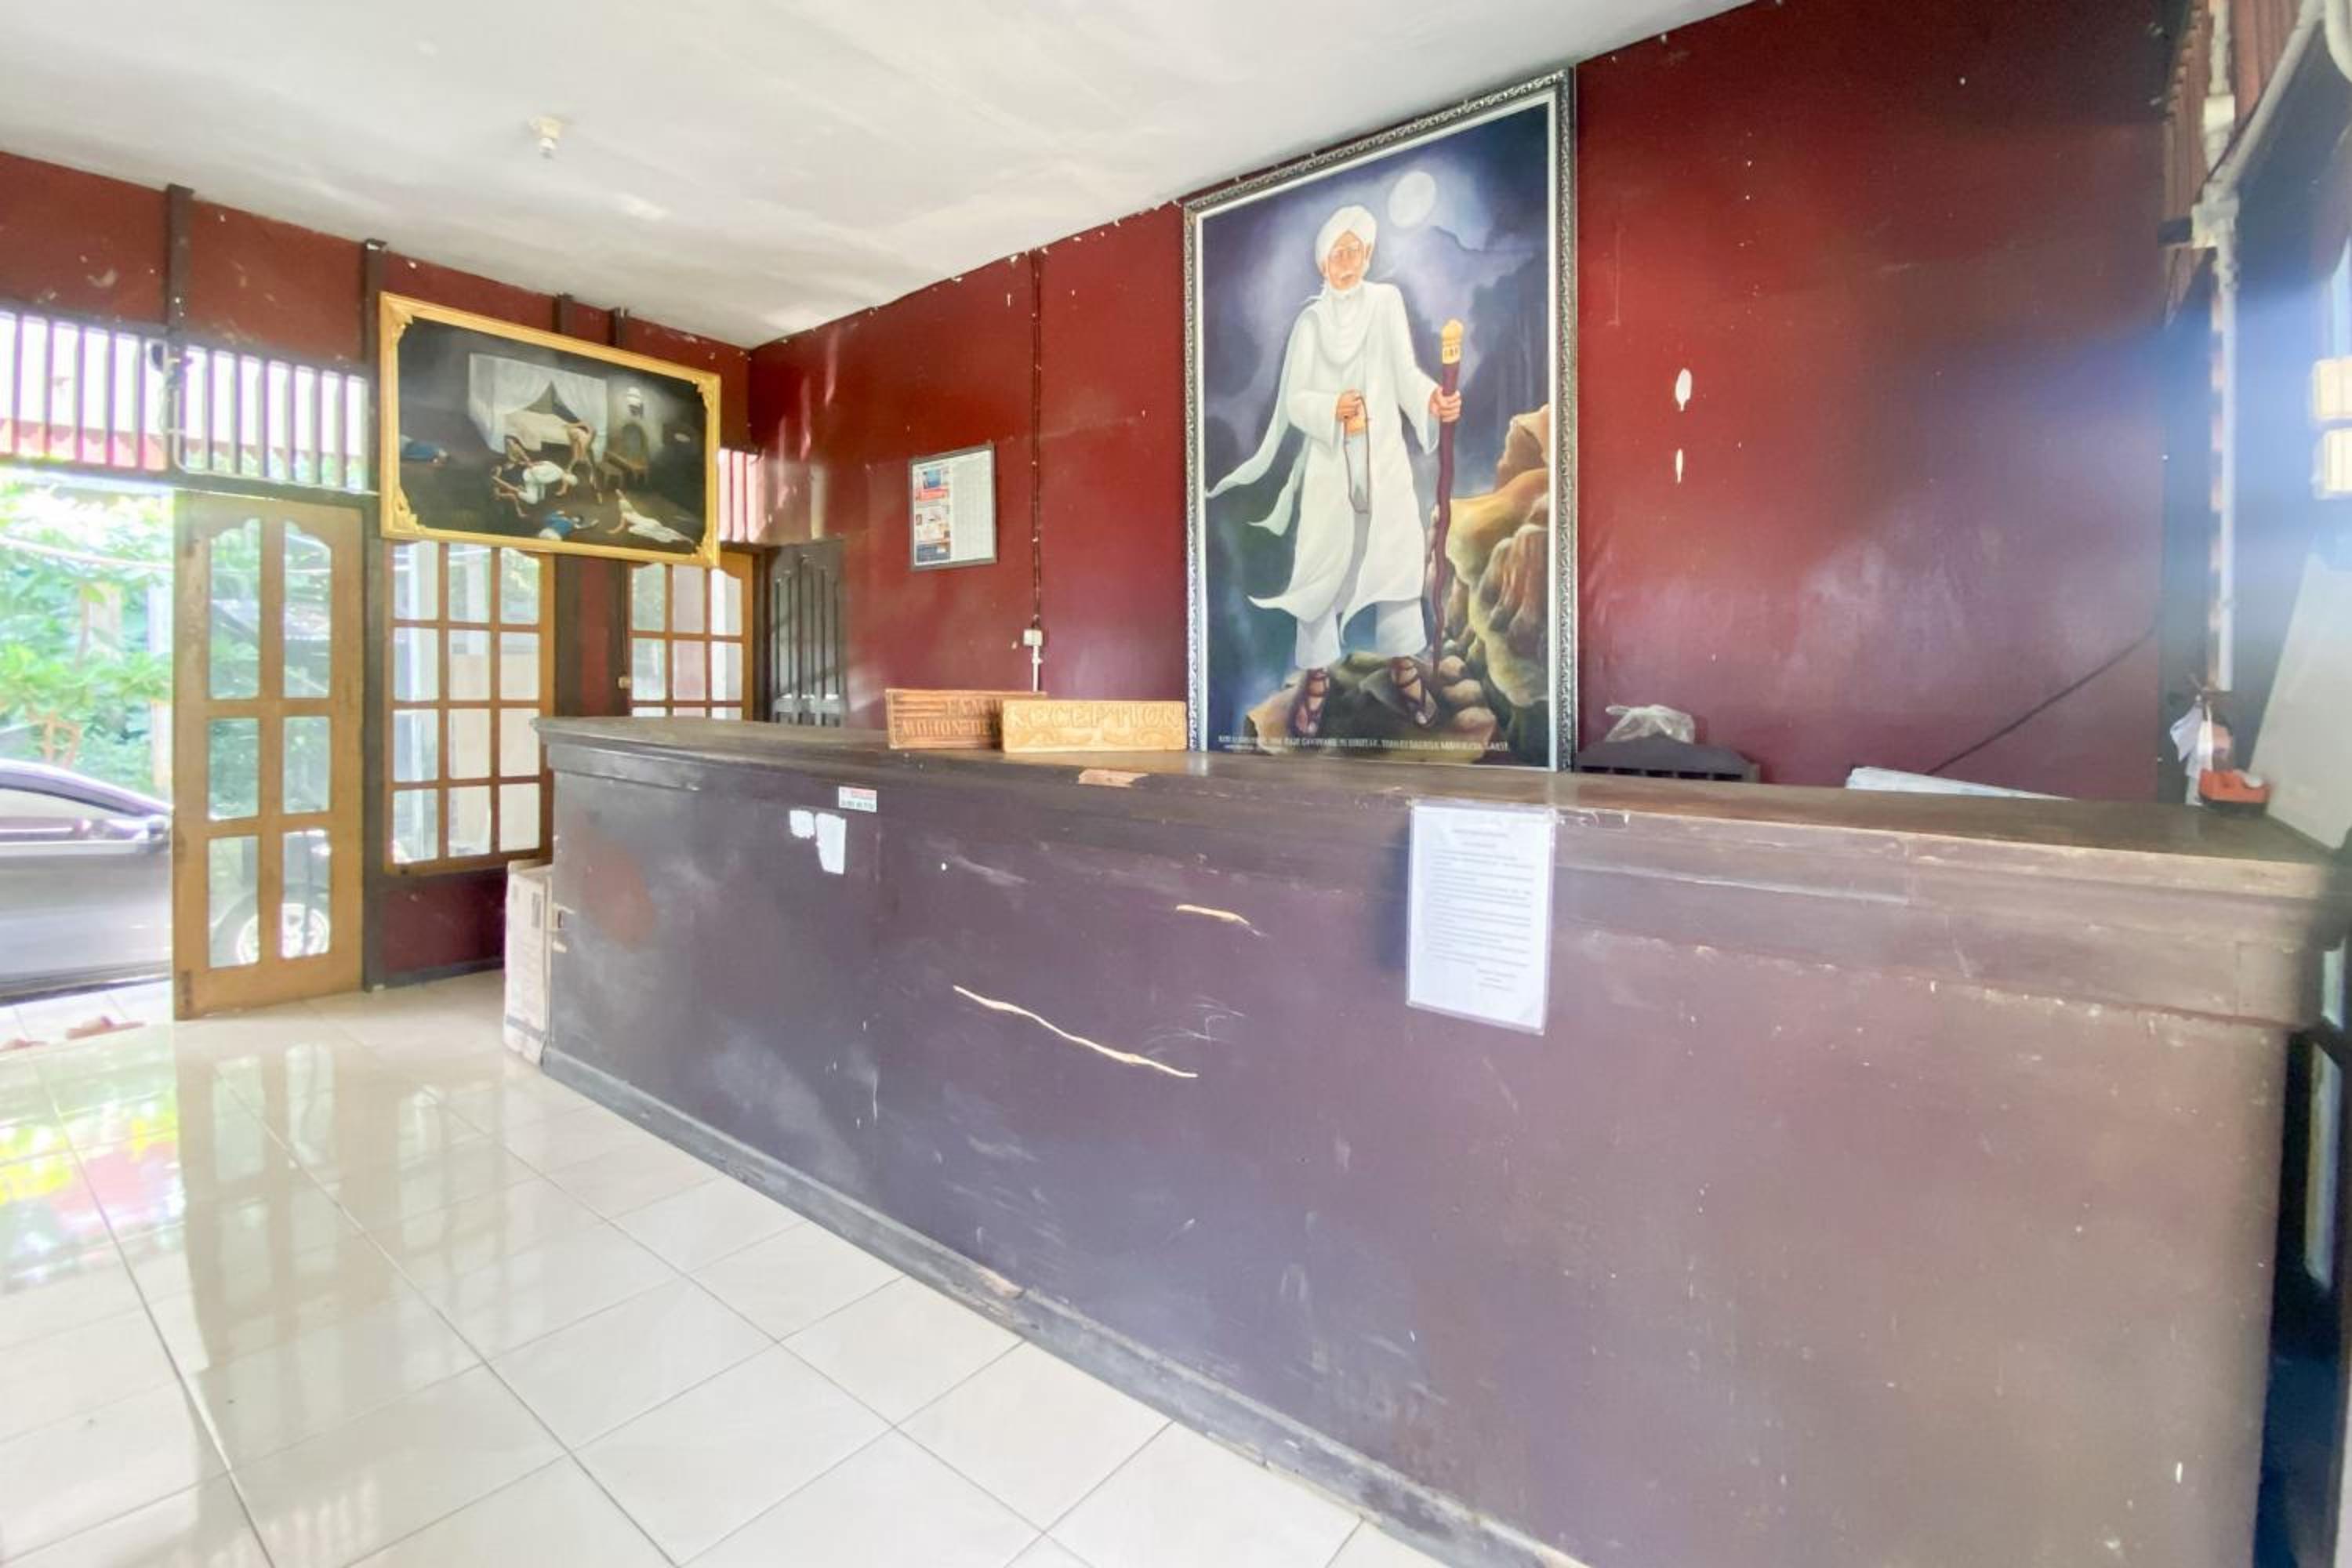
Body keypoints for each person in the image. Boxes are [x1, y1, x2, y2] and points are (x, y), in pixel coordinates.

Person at [1209, 203, 1461, 739]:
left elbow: (1405, 373)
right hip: (1330, 467)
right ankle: (1318, 677)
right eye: (1338, 252)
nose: (1347, 261)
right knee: (1321, 569)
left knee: (1394, 559)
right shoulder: (1311, 324)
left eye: (1356, 251)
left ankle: (1402, 666)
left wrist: (1432, 400)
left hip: (1383, 459)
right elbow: (1296, 401)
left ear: (1368, 255)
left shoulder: (1386, 303)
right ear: (1323, 261)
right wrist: (1332, 408)